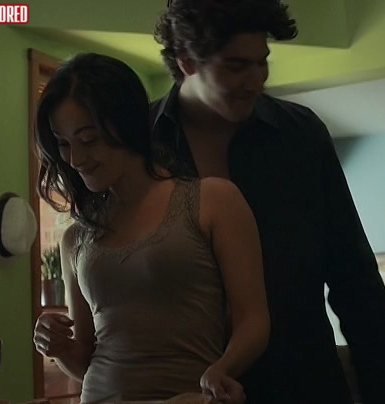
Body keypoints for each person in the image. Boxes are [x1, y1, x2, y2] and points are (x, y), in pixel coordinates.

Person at [151, 1, 385, 403]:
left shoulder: (300, 135)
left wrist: (380, 390)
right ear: (187, 62)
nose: (256, 81)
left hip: (302, 383)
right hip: (181, 388)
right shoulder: (140, 144)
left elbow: (353, 275)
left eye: (262, 62)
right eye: (236, 66)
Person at [31, 52, 270, 404]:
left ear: (126, 126)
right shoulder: (76, 239)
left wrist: (221, 371)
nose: (75, 159)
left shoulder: (213, 201)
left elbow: (254, 321)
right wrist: (59, 347)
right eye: (63, 144)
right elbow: (86, 360)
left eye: (89, 139)